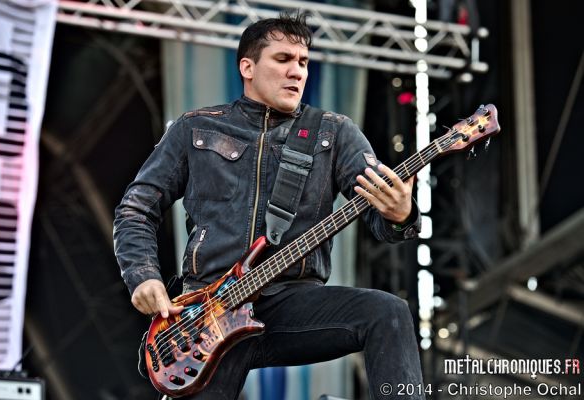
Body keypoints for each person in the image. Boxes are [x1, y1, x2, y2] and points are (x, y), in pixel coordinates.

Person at [113, 12, 425, 400]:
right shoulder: (195, 129)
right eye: (283, 59)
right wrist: (143, 275)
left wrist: (400, 215)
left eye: (303, 62)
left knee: (388, 312)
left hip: (292, 302)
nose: (297, 71)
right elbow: (136, 209)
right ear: (247, 67)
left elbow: (383, 221)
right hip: (207, 313)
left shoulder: (333, 132)